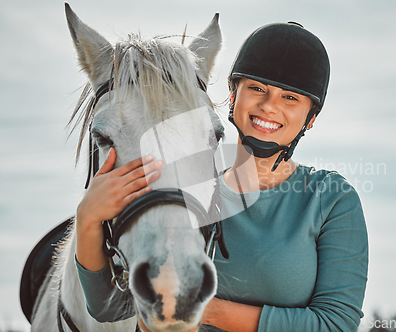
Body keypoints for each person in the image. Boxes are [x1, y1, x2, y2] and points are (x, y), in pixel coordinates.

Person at [76, 21, 368, 332]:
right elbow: (111, 308)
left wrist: (206, 310)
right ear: (232, 94)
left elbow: (336, 325)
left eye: (290, 98)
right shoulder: (184, 192)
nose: (269, 107)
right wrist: (88, 218)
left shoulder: (332, 199)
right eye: (257, 89)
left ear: (310, 119)